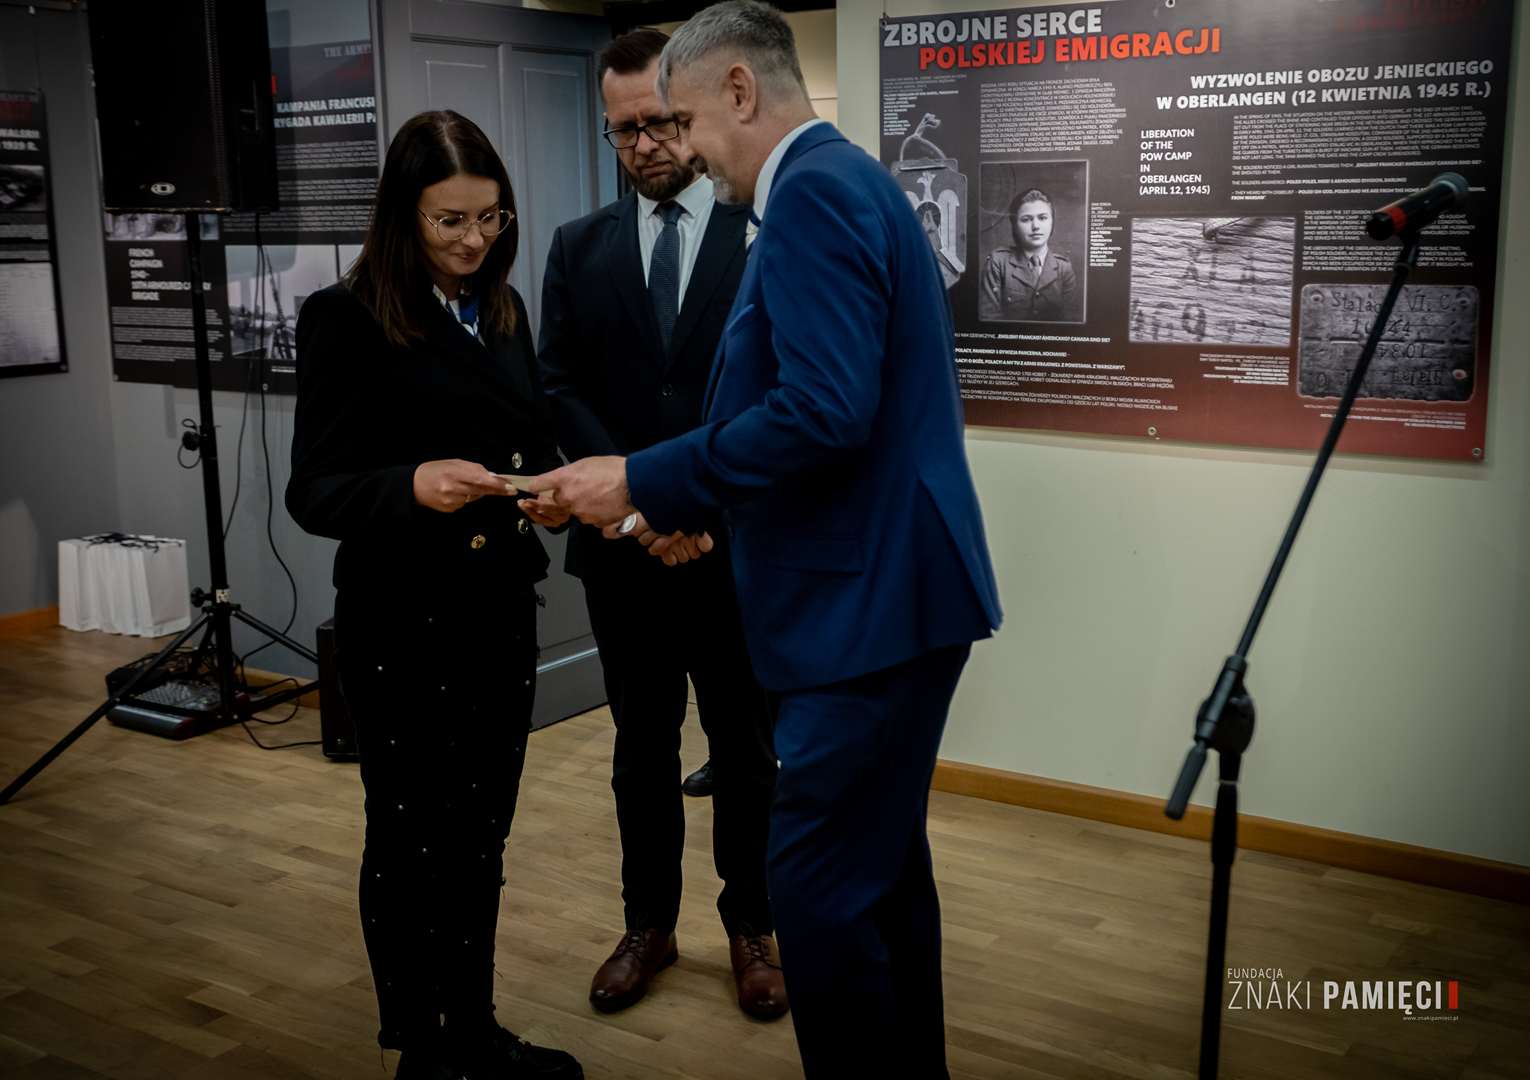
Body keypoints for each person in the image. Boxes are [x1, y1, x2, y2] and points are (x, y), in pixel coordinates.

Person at [521, 4, 1003, 1076]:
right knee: (883, 883)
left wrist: (644, 478)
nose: (684, 149)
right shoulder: (851, 179)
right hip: (884, 593)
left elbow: (824, 411)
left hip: (861, 606)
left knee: (823, 894)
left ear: (740, 91)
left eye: (687, 120)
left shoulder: (815, 192)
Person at [286, 110, 583, 1080]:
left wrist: (552, 490)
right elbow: (314, 491)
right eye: (449, 220)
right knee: (410, 836)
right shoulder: (344, 317)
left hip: (498, 607)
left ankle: (474, 1027)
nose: (472, 240)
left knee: (481, 833)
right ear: (400, 215)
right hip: (402, 621)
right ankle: (422, 1045)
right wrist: (410, 485)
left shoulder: (501, 307)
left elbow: (526, 436)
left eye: (491, 218)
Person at [536, 27, 785, 1022]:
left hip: (731, 546)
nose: (642, 145)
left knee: (745, 751)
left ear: (692, 112)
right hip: (625, 554)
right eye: (622, 130)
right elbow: (559, 385)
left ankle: (753, 926)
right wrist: (643, 507)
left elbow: (774, 397)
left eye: (658, 122)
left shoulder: (760, 230)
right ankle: (648, 925)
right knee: (641, 750)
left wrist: (692, 504)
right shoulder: (578, 245)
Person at [979, 187, 1080, 322]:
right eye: (1026, 219)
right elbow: (989, 319)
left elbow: (1071, 323)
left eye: (1042, 218)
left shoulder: (1064, 268)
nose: (1035, 226)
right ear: (1015, 225)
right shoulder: (998, 262)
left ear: (1052, 222)